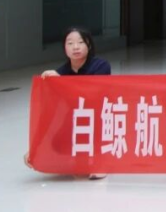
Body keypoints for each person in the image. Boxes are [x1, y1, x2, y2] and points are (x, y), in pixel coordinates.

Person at [24, 27, 110, 179]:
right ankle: (80, 160)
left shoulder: (101, 66)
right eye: (70, 43)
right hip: (75, 120)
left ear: (89, 45)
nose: (75, 47)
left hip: (99, 118)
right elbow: (49, 111)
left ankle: (100, 163)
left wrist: (62, 82)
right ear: (64, 48)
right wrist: (34, 147)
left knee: (97, 132)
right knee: (58, 142)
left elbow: (92, 94)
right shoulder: (61, 71)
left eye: (80, 42)